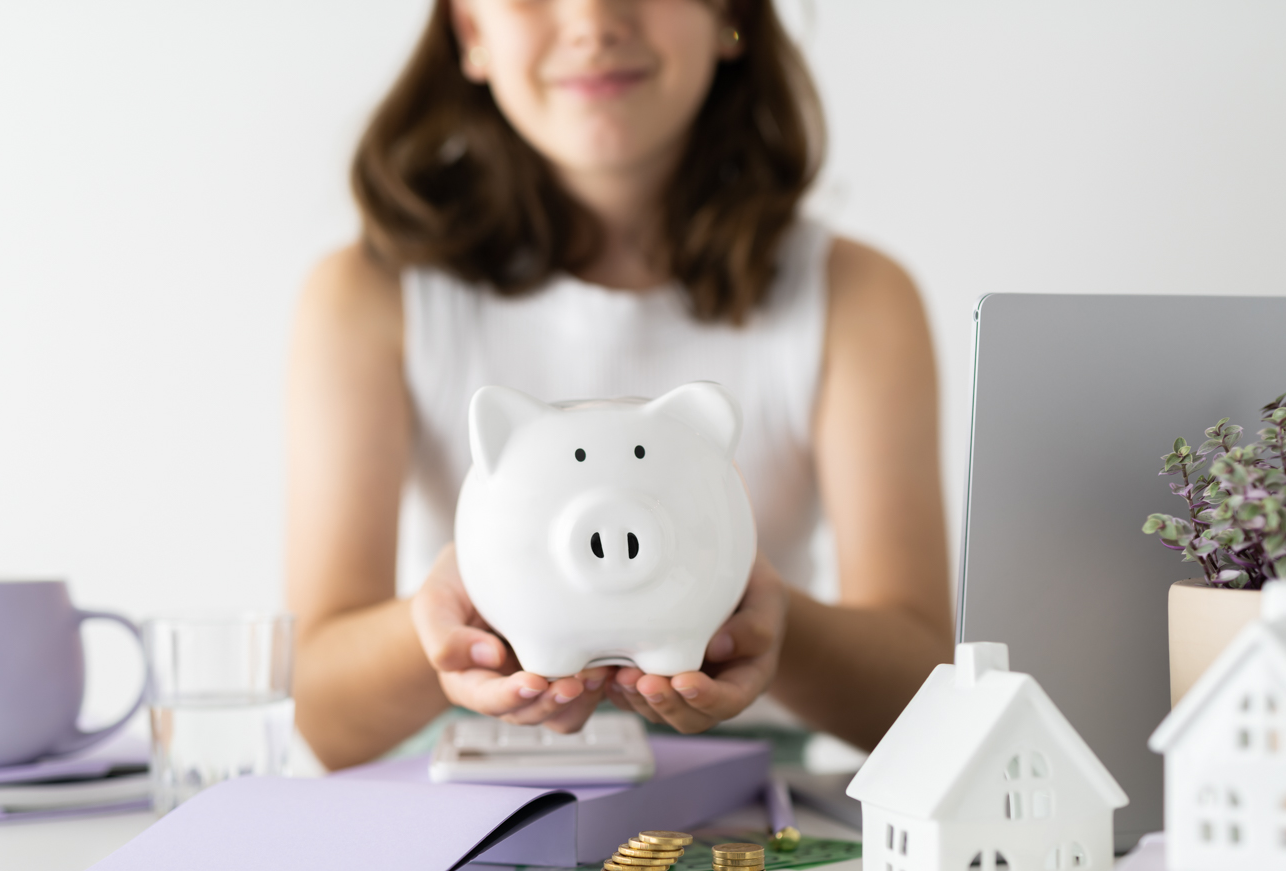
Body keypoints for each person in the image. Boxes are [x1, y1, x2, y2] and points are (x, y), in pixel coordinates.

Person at [286, 0, 952, 771]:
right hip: (471, 778)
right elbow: (320, 715)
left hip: (757, 807)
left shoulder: (858, 297)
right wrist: (478, 593)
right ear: (471, 31)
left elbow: (928, 697)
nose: (594, 21)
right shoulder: (367, 296)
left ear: (730, 13)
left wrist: (741, 603)